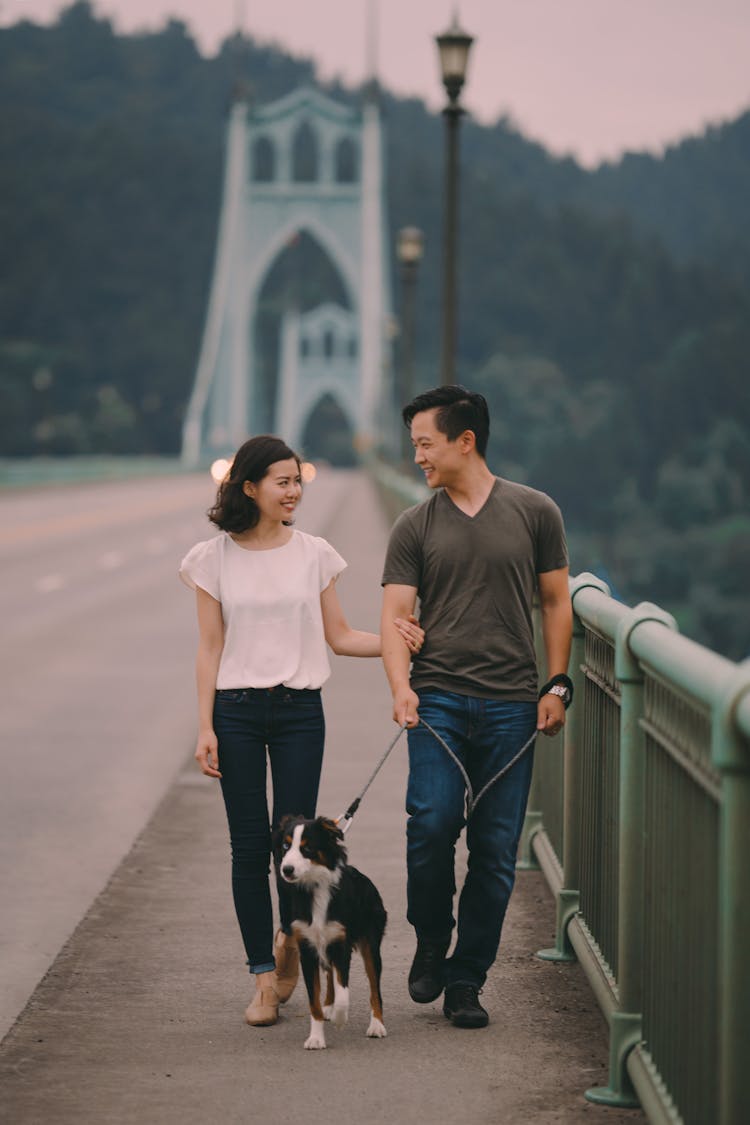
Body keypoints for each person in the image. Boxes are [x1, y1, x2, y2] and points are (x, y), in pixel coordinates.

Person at [179, 435, 423, 1028]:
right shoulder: (211, 558)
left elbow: (338, 636)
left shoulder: (314, 552)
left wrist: (404, 641)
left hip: (298, 712)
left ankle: (293, 944)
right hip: (235, 710)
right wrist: (206, 724)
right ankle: (264, 977)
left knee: (293, 846)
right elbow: (210, 648)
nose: (294, 491)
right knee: (246, 846)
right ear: (249, 487)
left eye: (297, 481)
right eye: (283, 482)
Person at [380, 386, 572, 1029]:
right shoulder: (415, 524)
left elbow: (555, 602)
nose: (418, 458)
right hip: (436, 699)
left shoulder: (536, 511)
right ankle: (432, 936)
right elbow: (394, 616)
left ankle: (467, 978)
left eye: (425, 444)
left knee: (494, 851)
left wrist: (556, 683)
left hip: (514, 706)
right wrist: (401, 687)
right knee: (430, 825)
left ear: (466, 441)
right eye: (414, 447)